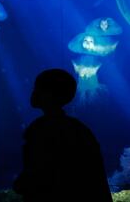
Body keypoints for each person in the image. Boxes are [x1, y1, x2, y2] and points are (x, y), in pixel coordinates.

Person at [13, 69, 112, 202]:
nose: (33, 92)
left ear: (48, 94)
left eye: (37, 88)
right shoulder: (80, 129)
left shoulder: (43, 129)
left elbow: (41, 172)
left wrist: (22, 183)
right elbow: (97, 179)